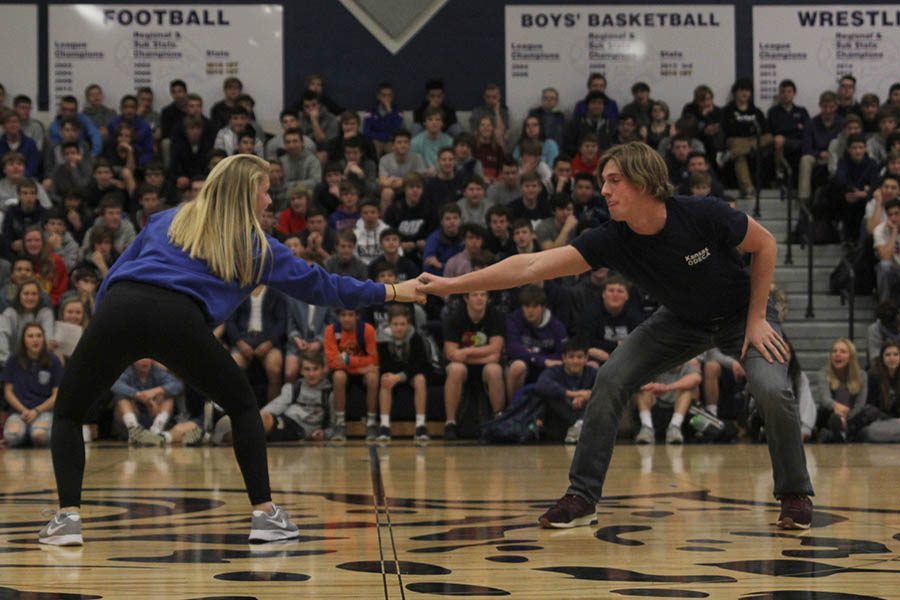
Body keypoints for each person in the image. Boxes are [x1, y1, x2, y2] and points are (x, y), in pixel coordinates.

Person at [418, 141, 814, 530]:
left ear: (643, 182)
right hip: (680, 321)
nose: (604, 190)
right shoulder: (612, 238)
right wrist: (451, 285)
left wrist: (758, 317)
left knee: (772, 389)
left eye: (613, 180)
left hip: (744, 315)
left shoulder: (702, 213)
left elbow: (765, 244)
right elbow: (531, 266)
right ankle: (582, 497)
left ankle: (794, 494)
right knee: (609, 377)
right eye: (603, 181)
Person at [37, 154, 422, 546]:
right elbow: (324, 286)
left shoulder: (169, 219)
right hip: (179, 319)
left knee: (68, 411)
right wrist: (391, 290)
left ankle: (68, 518)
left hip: (118, 308)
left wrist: (106, 332)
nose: (270, 201)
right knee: (241, 407)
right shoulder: (258, 247)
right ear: (245, 195)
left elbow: (116, 273)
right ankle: (265, 515)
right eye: (265, 192)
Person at [2, 323, 62, 448]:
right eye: (30, 336)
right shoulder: (13, 360)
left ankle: (36, 433)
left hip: (44, 411)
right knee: (12, 436)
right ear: (23, 340)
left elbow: (57, 395)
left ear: (44, 339)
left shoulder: (54, 361)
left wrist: (37, 410)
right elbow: (8, 392)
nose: (35, 340)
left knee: (39, 435)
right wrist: (23, 410)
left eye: (38, 336)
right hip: (20, 412)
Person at [376, 305, 430, 442]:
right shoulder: (381, 339)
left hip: (408, 374)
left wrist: (399, 376)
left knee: (420, 379)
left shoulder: (415, 337)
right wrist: (393, 376)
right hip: (391, 374)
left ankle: (421, 425)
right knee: (385, 379)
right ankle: (384, 426)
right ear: (389, 324)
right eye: (395, 324)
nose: (399, 328)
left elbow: (419, 364)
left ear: (408, 324)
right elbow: (384, 365)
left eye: (402, 324)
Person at [324, 307, 379, 441]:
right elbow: (332, 362)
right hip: (348, 371)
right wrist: (358, 368)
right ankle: (340, 423)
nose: (347, 319)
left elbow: (374, 359)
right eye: (343, 315)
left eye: (350, 315)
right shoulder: (331, 330)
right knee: (338, 377)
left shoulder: (367, 330)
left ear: (357, 316)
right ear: (338, 316)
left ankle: (371, 423)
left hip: (361, 372)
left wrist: (348, 360)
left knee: (373, 377)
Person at [534, 338, 598, 444]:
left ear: (586, 358)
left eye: (579, 357)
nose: (575, 361)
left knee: (598, 396)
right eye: (571, 357)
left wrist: (585, 396)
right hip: (560, 417)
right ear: (564, 358)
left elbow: (606, 389)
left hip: (584, 412)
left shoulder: (592, 373)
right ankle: (578, 425)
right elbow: (541, 385)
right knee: (552, 395)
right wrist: (573, 394)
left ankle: (579, 425)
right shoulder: (555, 371)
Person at [111, 358, 185, 446]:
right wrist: (137, 395)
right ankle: (133, 430)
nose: (144, 361)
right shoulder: (127, 371)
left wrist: (156, 391)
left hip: (153, 415)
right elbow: (114, 384)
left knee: (167, 396)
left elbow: (178, 385)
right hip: (130, 421)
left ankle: (157, 429)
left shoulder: (157, 371)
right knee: (121, 397)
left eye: (148, 357)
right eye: (140, 358)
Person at [813, 338, 867, 443]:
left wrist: (846, 418)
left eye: (843, 351)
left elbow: (860, 404)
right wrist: (837, 408)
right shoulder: (823, 373)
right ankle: (840, 434)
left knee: (865, 413)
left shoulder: (862, 376)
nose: (837, 354)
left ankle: (834, 435)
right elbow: (825, 399)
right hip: (830, 415)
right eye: (834, 351)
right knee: (828, 414)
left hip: (851, 417)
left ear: (851, 357)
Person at [859, 341, 900, 442]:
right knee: (869, 432)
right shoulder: (873, 375)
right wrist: (890, 419)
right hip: (880, 422)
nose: (892, 358)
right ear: (882, 357)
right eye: (888, 355)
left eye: (896, 354)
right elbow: (868, 407)